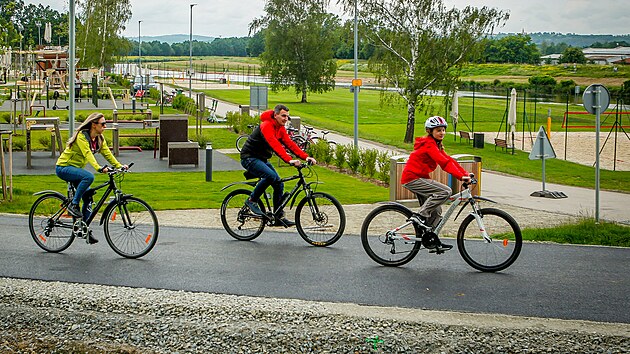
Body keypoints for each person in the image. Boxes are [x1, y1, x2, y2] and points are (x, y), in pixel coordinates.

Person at [400, 116, 472, 252]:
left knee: (436, 211)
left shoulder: (436, 144)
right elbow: (443, 163)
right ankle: (419, 216)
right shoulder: (429, 144)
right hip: (412, 178)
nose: (442, 133)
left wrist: (465, 174)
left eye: (444, 130)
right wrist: (460, 177)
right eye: (439, 130)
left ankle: (431, 239)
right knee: (445, 192)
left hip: (419, 177)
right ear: (430, 131)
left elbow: (449, 160)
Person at [240, 104, 317, 227]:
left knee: (279, 183)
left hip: (262, 158)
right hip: (249, 157)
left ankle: (278, 217)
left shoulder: (280, 128)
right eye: (283, 116)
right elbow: (275, 145)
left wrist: (305, 157)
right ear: (275, 115)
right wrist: (289, 160)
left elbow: (290, 144)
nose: (286, 119)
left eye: (287, 116)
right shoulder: (266, 126)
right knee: (271, 176)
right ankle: (251, 200)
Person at [55, 112, 127, 243]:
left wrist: (119, 166)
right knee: (89, 177)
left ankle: (83, 229)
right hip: (64, 167)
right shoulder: (82, 137)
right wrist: (99, 168)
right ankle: (74, 205)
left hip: (76, 170)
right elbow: (88, 154)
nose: (105, 126)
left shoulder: (99, 138)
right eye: (103, 124)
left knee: (88, 198)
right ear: (94, 125)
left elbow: (107, 153)